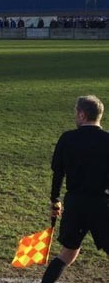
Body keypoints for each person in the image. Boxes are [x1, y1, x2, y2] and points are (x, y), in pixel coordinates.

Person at [41, 95, 109, 283]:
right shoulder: (107, 140)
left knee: (67, 253)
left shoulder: (67, 138)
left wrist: (55, 199)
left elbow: (57, 172)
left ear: (82, 114)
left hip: (75, 204)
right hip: (101, 205)